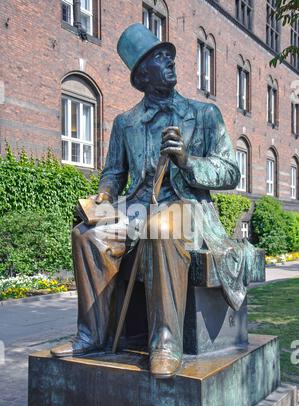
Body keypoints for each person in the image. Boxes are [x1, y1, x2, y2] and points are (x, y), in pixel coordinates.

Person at [51, 23, 253, 379]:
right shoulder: (125, 123)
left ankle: (165, 342)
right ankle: (92, 335)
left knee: (162, 226)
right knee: (88, 234)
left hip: (187, 208)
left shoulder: (204, 115)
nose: (171, 62)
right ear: (142, 75)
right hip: (135, 208)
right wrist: (102, 198)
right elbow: (114, 173)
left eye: (169, 56)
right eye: (161, 58)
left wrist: (188, 162)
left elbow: (230, 172)